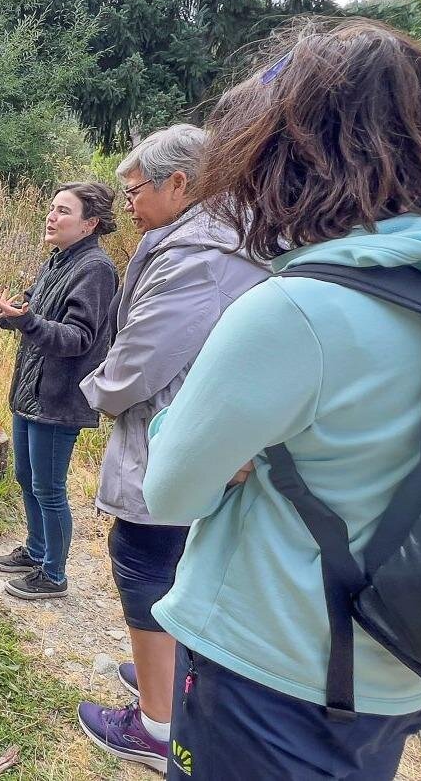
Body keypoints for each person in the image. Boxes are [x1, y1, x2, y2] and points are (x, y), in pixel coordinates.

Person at [143, 19, 421, 780]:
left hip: (271, 672)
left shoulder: (298, 311)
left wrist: (188, 434)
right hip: (404, 661)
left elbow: (171, 492)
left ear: (282, 152)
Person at [74, 125, 268, 771]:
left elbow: (142, 357)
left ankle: (156, 726)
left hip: (172, 439)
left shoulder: (199, 256)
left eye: (134, 191)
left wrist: (97, 392)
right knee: (181, 565)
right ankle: (171, 679)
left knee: (142, 561)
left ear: (178, 182)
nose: (127, 204)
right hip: (207, 440)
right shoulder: (228, 235)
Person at [0, 181, 119, 599]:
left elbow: (80, 338)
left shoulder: (96, 268)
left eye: (63, 211)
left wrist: (25, 321)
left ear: (89, 224)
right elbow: (31, 313)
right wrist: (4, 315)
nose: (51, 216)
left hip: (59, 401)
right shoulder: (57, 261)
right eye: (52, 208)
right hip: (31, 394)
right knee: (27, 478)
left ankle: (54, 575)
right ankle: (36, 550)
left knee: (49, 488)